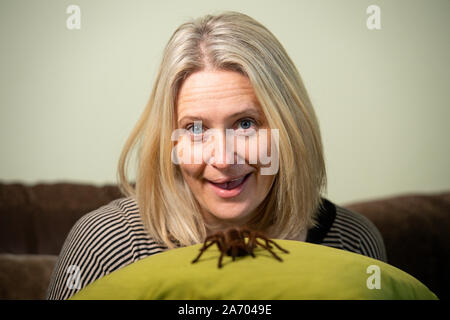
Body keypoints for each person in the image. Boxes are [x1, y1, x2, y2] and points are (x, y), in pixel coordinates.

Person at [46, 11, 387, 300]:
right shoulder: (106, 242)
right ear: (171, 143)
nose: (223, 159)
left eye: (245, 123)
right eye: (195, 129)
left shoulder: (353, 242)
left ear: (290, 130)